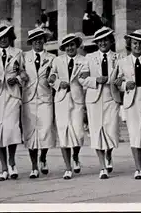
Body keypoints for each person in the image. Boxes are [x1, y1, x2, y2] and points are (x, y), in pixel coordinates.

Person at [0, 20, 26, 181]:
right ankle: (3, 168)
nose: (3, 40)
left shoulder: (18, 53)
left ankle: (12, 162)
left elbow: (23, 73)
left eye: (6, 36)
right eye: (0, 37)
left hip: (12, 96)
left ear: (10, 37)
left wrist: (17, 80)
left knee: (12, 129)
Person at [78, 27, 121, 179]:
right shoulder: (89, 58)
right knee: (97, 132)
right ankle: (102, 167)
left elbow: (122, 77)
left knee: (111, 131)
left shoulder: (118, 57)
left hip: (112, 98)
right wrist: (95, 80)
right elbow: (82, 79)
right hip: (94, 100)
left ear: (111, 41)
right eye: (100, 41)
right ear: (96, 42)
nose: (103, 43)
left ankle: (109, 153)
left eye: (106, 40)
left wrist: (119, 82)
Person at [112, 30, 141, 179]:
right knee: (135, 133)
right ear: (130, 44)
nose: (137, 46)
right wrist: (124, 85)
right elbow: (117, 82)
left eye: (140, 44)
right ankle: (138, 168)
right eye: (134, 43)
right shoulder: (122, 62)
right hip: (132, 99)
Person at [49, 33, 88, 179]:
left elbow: (85, 76)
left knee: (78, 133)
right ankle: (67, 167)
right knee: (63, 133)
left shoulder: (84, 60)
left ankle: (76, 155)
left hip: (77, 99)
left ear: (76, 46)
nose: (70, 48)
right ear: (64, 48)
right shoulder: (57, 60)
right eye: (67, 46)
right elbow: (51, 77)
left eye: (72, 45)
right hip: (61, 99)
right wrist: (59, 83)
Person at [20, 27, 56, 179]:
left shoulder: (52, 57)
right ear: (31, 42)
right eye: (35, 39)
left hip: (45, 97)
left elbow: (55, 72)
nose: (38, 41)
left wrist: (52, 77)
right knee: (30, 132)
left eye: (41, 38)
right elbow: (17, 70)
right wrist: (21, 73)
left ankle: (43, 156)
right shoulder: (23, 56)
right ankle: (34, 166)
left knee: (46, 129)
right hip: (28, 99)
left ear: (45, 40)